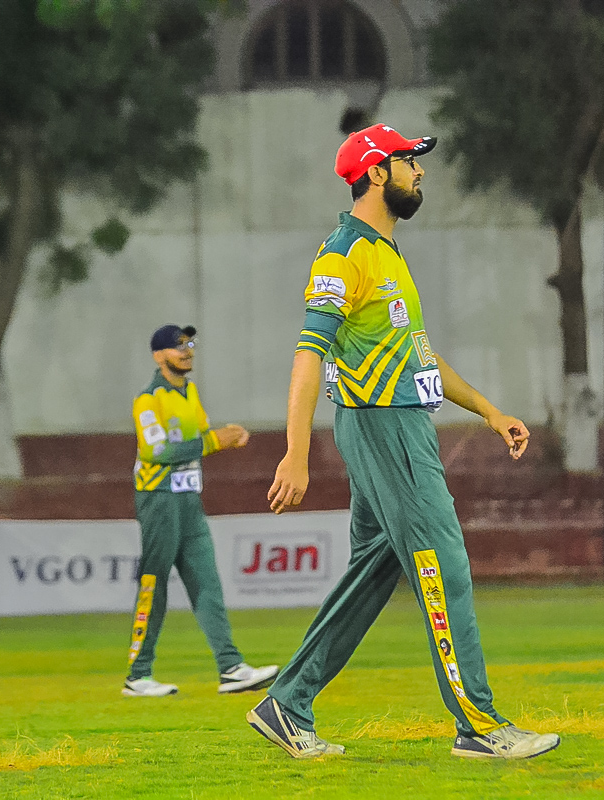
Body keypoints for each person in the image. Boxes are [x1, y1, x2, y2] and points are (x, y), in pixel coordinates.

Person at [245, 124, 561, 760]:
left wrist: (490, 412)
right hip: (384, 427)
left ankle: (287, 703)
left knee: (374, 569)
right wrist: (295, 452)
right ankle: (478, 724)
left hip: (400, 423)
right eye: (408, 161)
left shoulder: (387, 252)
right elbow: (308, 355)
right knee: (444, 562)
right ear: (375, 172)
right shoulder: (344, 255)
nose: (420, 171)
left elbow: (420, 356)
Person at [123, 323, 280, 697]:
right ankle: (138, 675)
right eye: (177, 346)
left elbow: (202, 438)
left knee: (207, 582)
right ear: (158, 356)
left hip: (189, 500)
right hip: (159, 499)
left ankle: (231, 668)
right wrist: (215, 441)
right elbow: (156, 452)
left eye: (189, 344)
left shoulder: (189, 392)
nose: (187, 350)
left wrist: (225, 438)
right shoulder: (148, 400)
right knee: (154, 584)